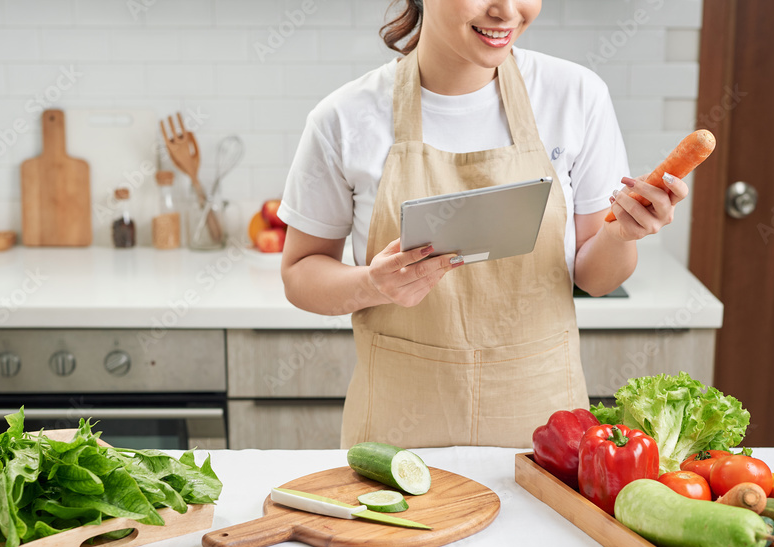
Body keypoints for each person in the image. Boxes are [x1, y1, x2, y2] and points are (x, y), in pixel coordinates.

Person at [279, 0, 688, 448]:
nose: (507, 11)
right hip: (398, 439)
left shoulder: (575, 96)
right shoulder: (344, 118)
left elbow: (595, 279)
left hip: (545, 432)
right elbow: (300, 273)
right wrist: (374, 285)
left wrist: (620, 234)